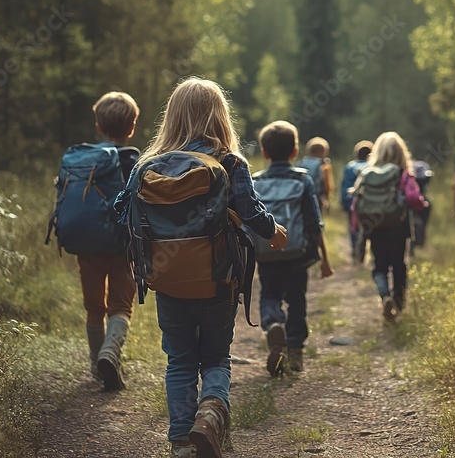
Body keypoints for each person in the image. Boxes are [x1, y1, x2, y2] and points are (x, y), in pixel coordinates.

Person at [114, 78, 288, 458]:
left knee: (179, 360)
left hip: (168, 281)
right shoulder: (230, 162)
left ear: (171, 118)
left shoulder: (147, 166)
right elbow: (251, 214)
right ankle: (209, 415)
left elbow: (121, 213)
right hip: (218, 280)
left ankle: (180, 442)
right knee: (215, 357)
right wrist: (275, 232)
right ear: (220, 116)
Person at [47, 91, 140, 390]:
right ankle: (110, 354)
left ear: (98, 127)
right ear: (132, 128)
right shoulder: (130, 160)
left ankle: (96, 367)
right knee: (120, 308)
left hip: (85, 246)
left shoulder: (80, 158)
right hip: (122, 246)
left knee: (94, 309)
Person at [254, 120, 334, 377]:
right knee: (297, 299)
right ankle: (296, 352)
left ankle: (273, 322)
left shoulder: (255, 181)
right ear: (295, 152)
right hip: (298, 253)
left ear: (264, 153)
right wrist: (323, 258)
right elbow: (314, 220)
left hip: (267, 252)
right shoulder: (303, 180)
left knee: (269, 294)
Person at [351, 132, 428, 322]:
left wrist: (357, 226)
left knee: (379, 265)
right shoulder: (404, 174)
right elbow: (412, 198)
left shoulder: (367, 172)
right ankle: (399, 304)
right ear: (402, 152)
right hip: (398, 226)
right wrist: (421, 205)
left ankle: (385, 295)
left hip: (374, 226)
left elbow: (355, 203)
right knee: (398, 264)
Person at [341, 140, 373, 262]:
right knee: (367, 226)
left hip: (351, 203)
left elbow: (344, 186)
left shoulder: (349, 166)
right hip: (369, 203)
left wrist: (344, 203)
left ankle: (355, 249)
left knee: (353, 226)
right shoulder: (372, 167)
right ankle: (365, 250)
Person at [298, 136, 334, 211]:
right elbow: (327, 185)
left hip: (300, 194)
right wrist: (326, 197)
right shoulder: (323, 165)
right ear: (324, 151)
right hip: (316, 196)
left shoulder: (302, 162)